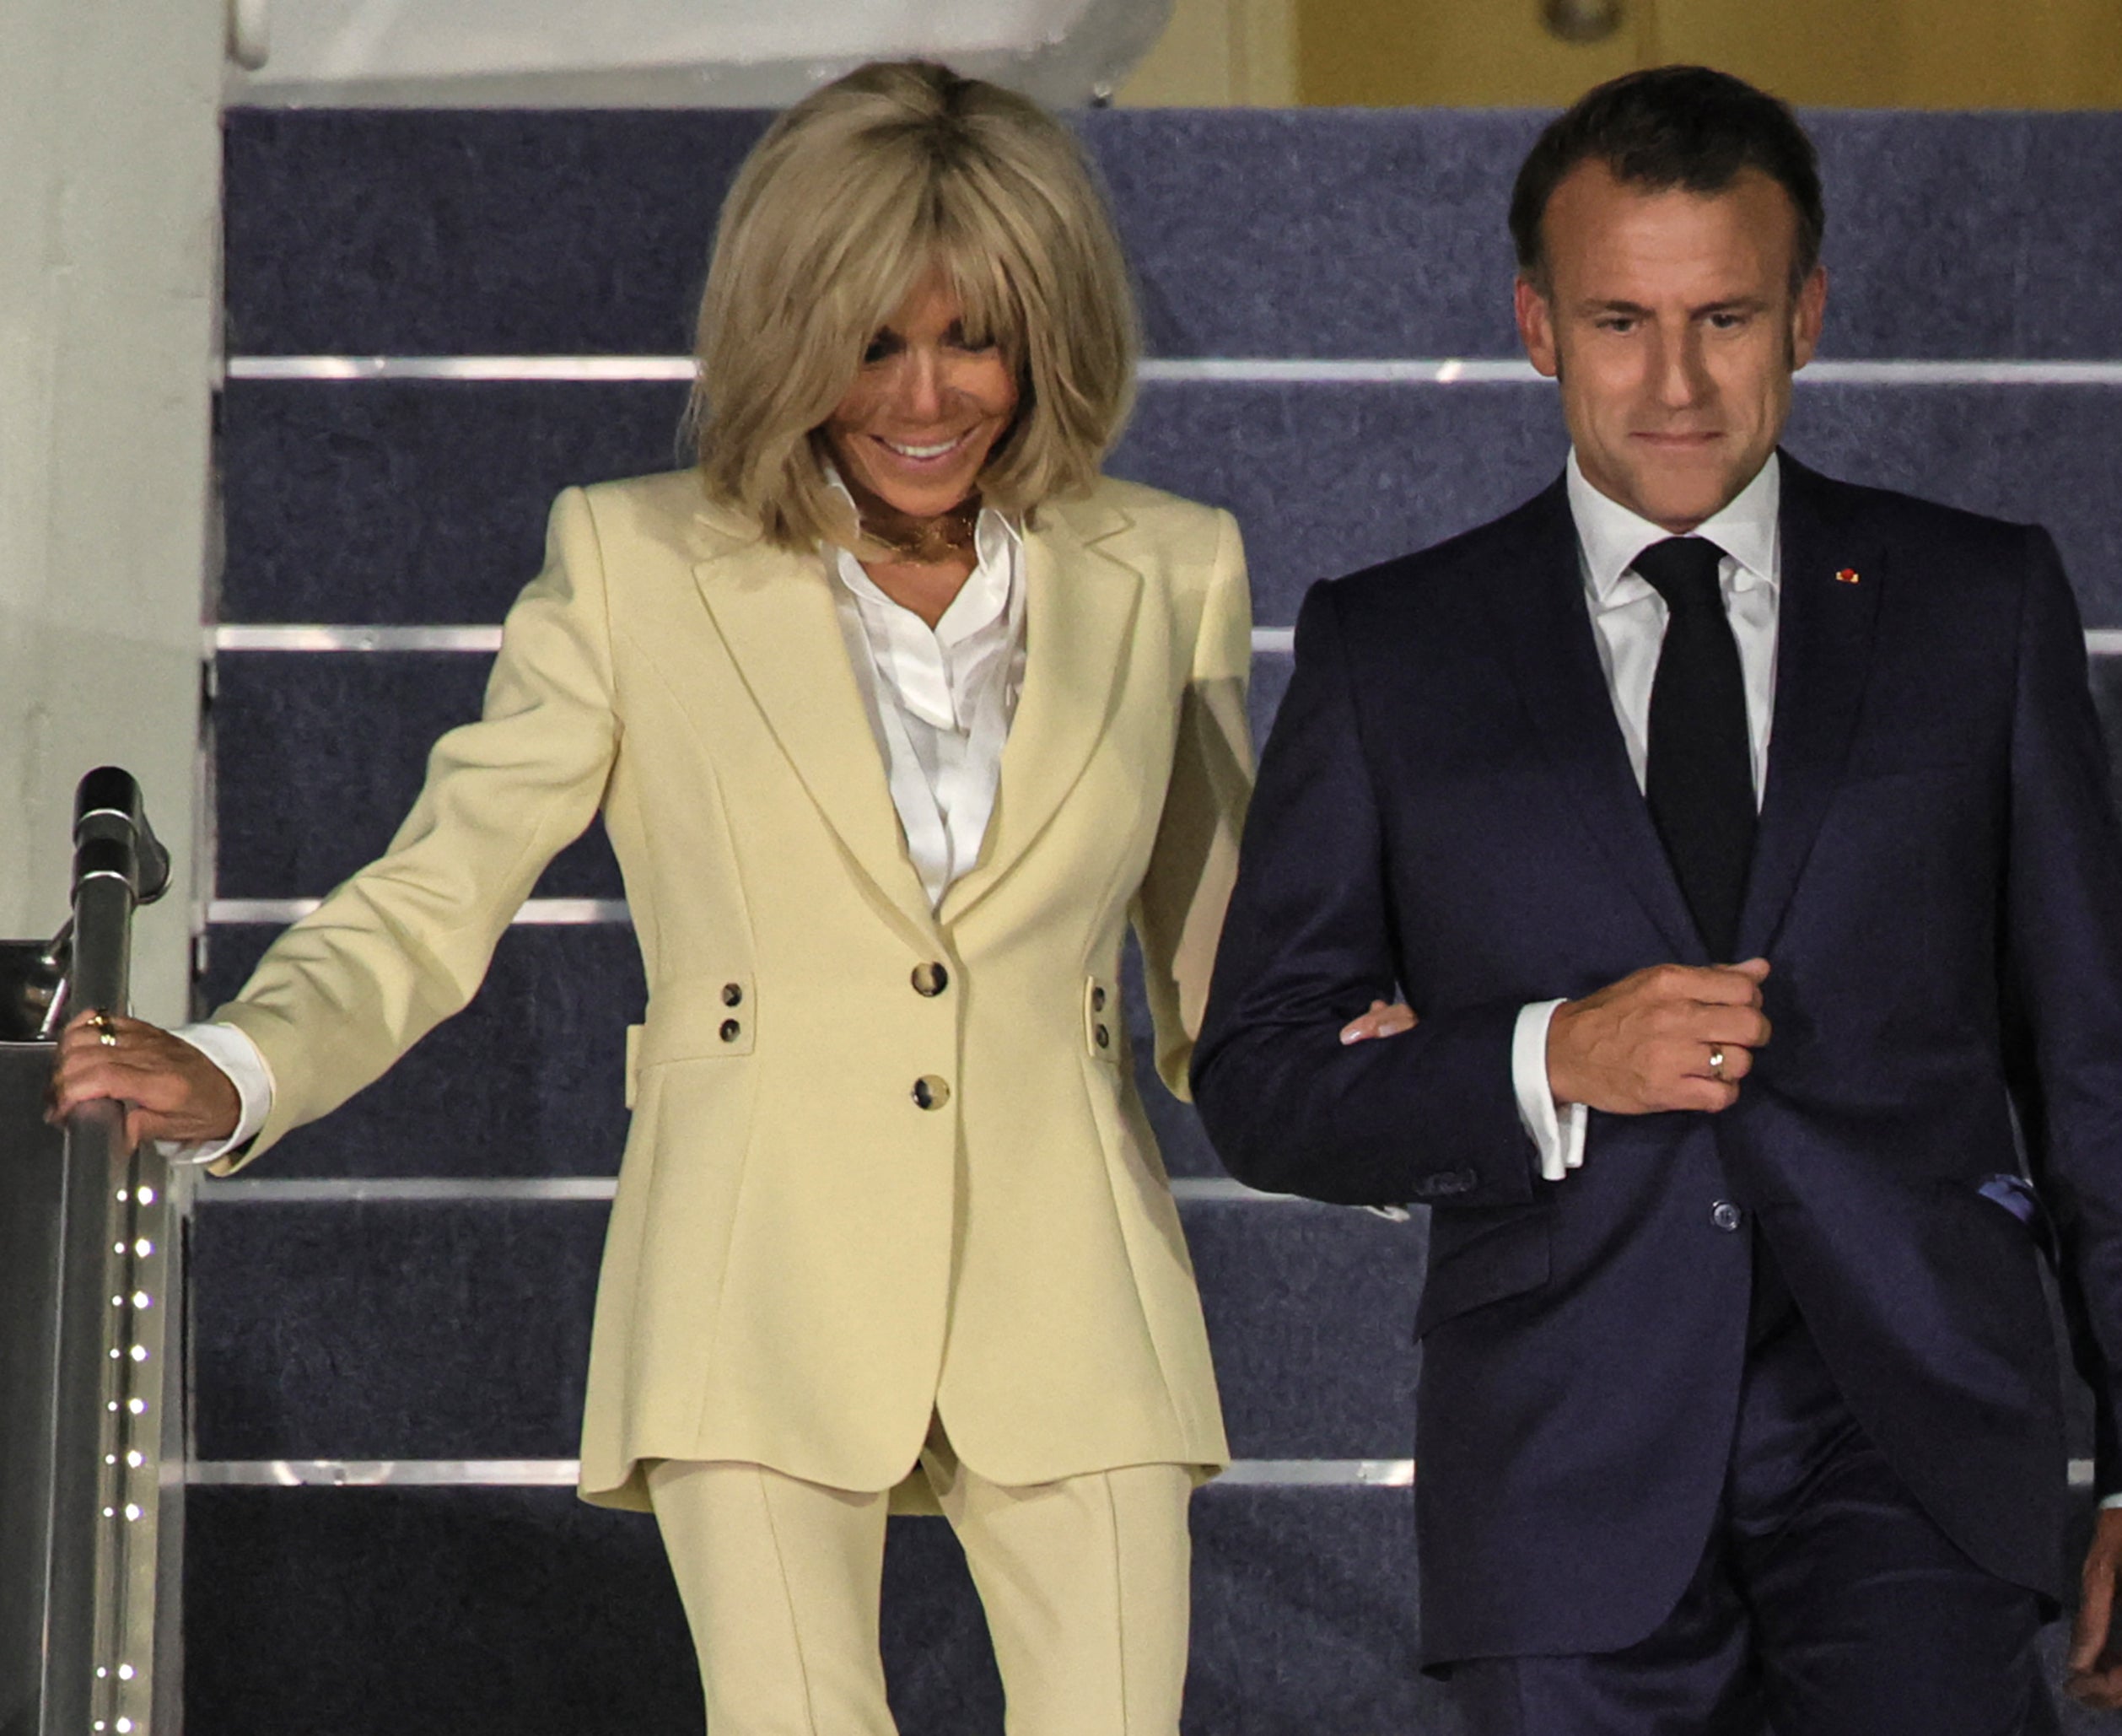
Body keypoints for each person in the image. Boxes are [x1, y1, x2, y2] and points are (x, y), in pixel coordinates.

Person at [52, 61, 1253, 1736]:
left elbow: (1229, 965)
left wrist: (1445, 1092)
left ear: (1047, 334)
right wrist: (239, 1063)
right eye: (869, 338)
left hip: (1077, 1292)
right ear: (786, 329)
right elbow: (436, 892)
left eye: (972, 336)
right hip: (749, 1283)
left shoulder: (1166, 566)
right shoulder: (634, 565)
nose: (924, 392)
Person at [1192, 65, 2122, 1734]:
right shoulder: (1396, 648)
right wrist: (1545, 1061)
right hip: (1559, 1458)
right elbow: (1260, 1084)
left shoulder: (1979, 606)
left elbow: (2102, 1070)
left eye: (1725, 316)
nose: (1674, 382)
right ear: (1536, 325)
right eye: (1619, 320)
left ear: (1806, 313)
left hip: (1917, 1438)